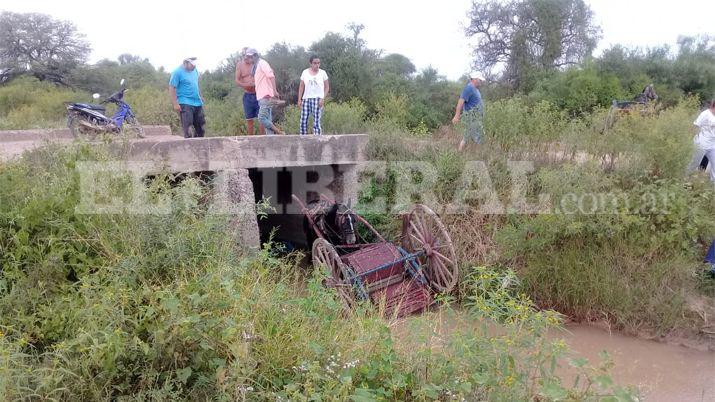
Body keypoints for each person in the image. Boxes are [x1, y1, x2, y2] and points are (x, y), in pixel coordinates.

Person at [247, 49, 285, 135]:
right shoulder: (256, 66)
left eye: (251, 57)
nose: (249, 59)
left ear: (256, 55)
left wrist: (275, 91)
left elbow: (271, 76)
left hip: (266, 95)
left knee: (261, 118)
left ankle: (280, 132)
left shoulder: (262, 63)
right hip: (262, 96)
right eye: (248, 57)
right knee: (268, 119)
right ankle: (271, 140)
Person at [169, 57, 205, 138]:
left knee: (200, 127)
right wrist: (175, 103)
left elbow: (196, 83)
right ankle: (189, 147)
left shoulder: (194, 70)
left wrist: (201, 95)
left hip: (197, 102)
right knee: (188, 127)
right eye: (192, 65)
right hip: (185, 102)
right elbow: (172, 87)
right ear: (185, 63)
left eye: (195, 65)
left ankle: (199, 147)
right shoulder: (177, 72)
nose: (194, 67)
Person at [452, 71, 485, 151]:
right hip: (471, 117)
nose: (481, 82)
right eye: (479, 80)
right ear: (474, 79)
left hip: (476, 118)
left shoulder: (476, 89)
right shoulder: (469, 88)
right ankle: (478, 154)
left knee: (468, 136)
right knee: (478, 136)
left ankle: (460, 153)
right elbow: (461, 101)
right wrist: (457, 116)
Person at [235, 47, 265, 135]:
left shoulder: (259, 63)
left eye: (248, 56)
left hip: (259, 94)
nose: (246, 58)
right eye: (244, 56)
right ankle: (250, 139)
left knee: (261, 118)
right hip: (248, 95)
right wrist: (247, 85)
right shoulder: (240, 65)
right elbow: (237, 80)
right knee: (249, 119)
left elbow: (267, 75)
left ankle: (262, 138)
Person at [297, 55, 329, 135]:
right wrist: (299, 99)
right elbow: (301, 86)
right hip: (306, 99)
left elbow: (327, 87)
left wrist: (323, 98)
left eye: (318, 63)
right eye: (315, 63)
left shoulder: (323, 73)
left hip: (318, 99)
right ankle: (303, 139)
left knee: (316, 122)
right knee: (303, 121)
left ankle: (317, 140)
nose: (317, 65)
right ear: (310, 63)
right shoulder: (305, 72)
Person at [687, 99, 715, 182]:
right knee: (694, 164)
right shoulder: (705, 114)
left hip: (712, 145)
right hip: (701, 144)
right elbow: (695, 125)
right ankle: (684, 179)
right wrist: (688, 139)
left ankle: (713, 185)